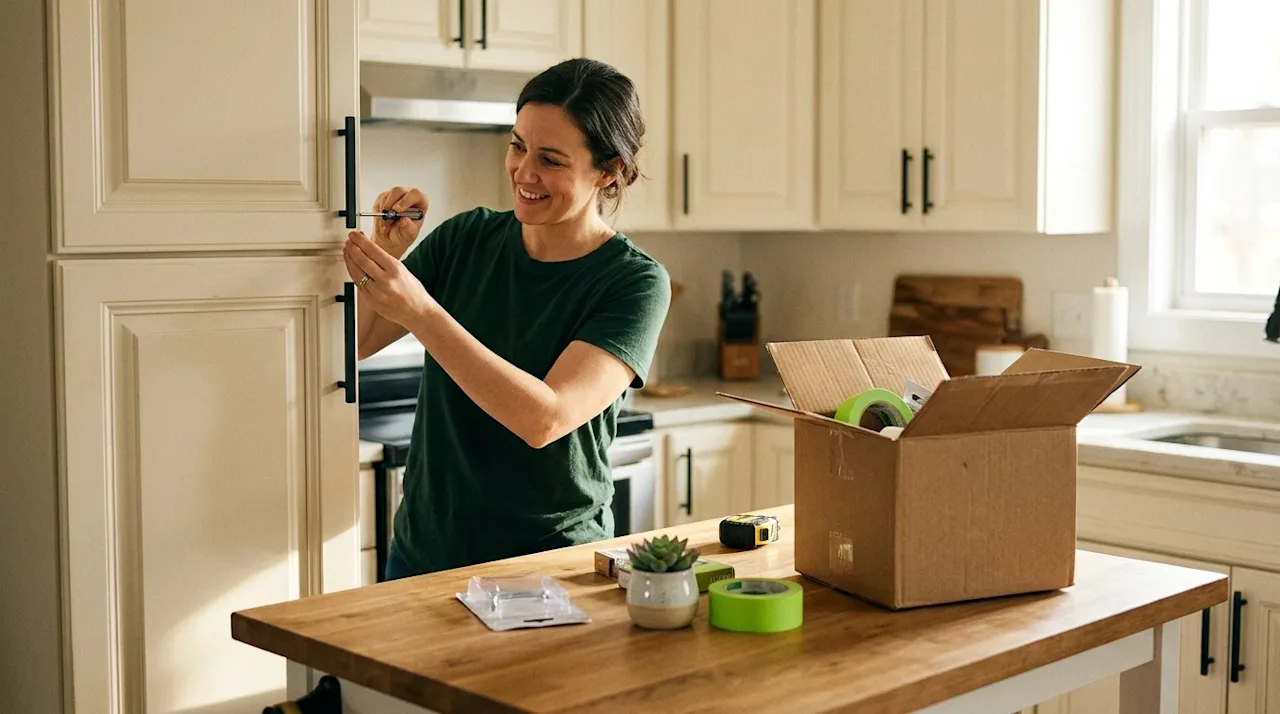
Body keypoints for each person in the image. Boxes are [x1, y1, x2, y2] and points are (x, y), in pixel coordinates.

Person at [343, 58, 672, 579]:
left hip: (547, 568)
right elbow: (358, 340)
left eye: (551, 159)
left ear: (608, 170)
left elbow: (544, 419)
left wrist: (422, 312)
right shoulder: (466, 238)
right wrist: (389, 259)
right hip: (424, 553)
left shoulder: (633, 283)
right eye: (517, 145)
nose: (523, 172)